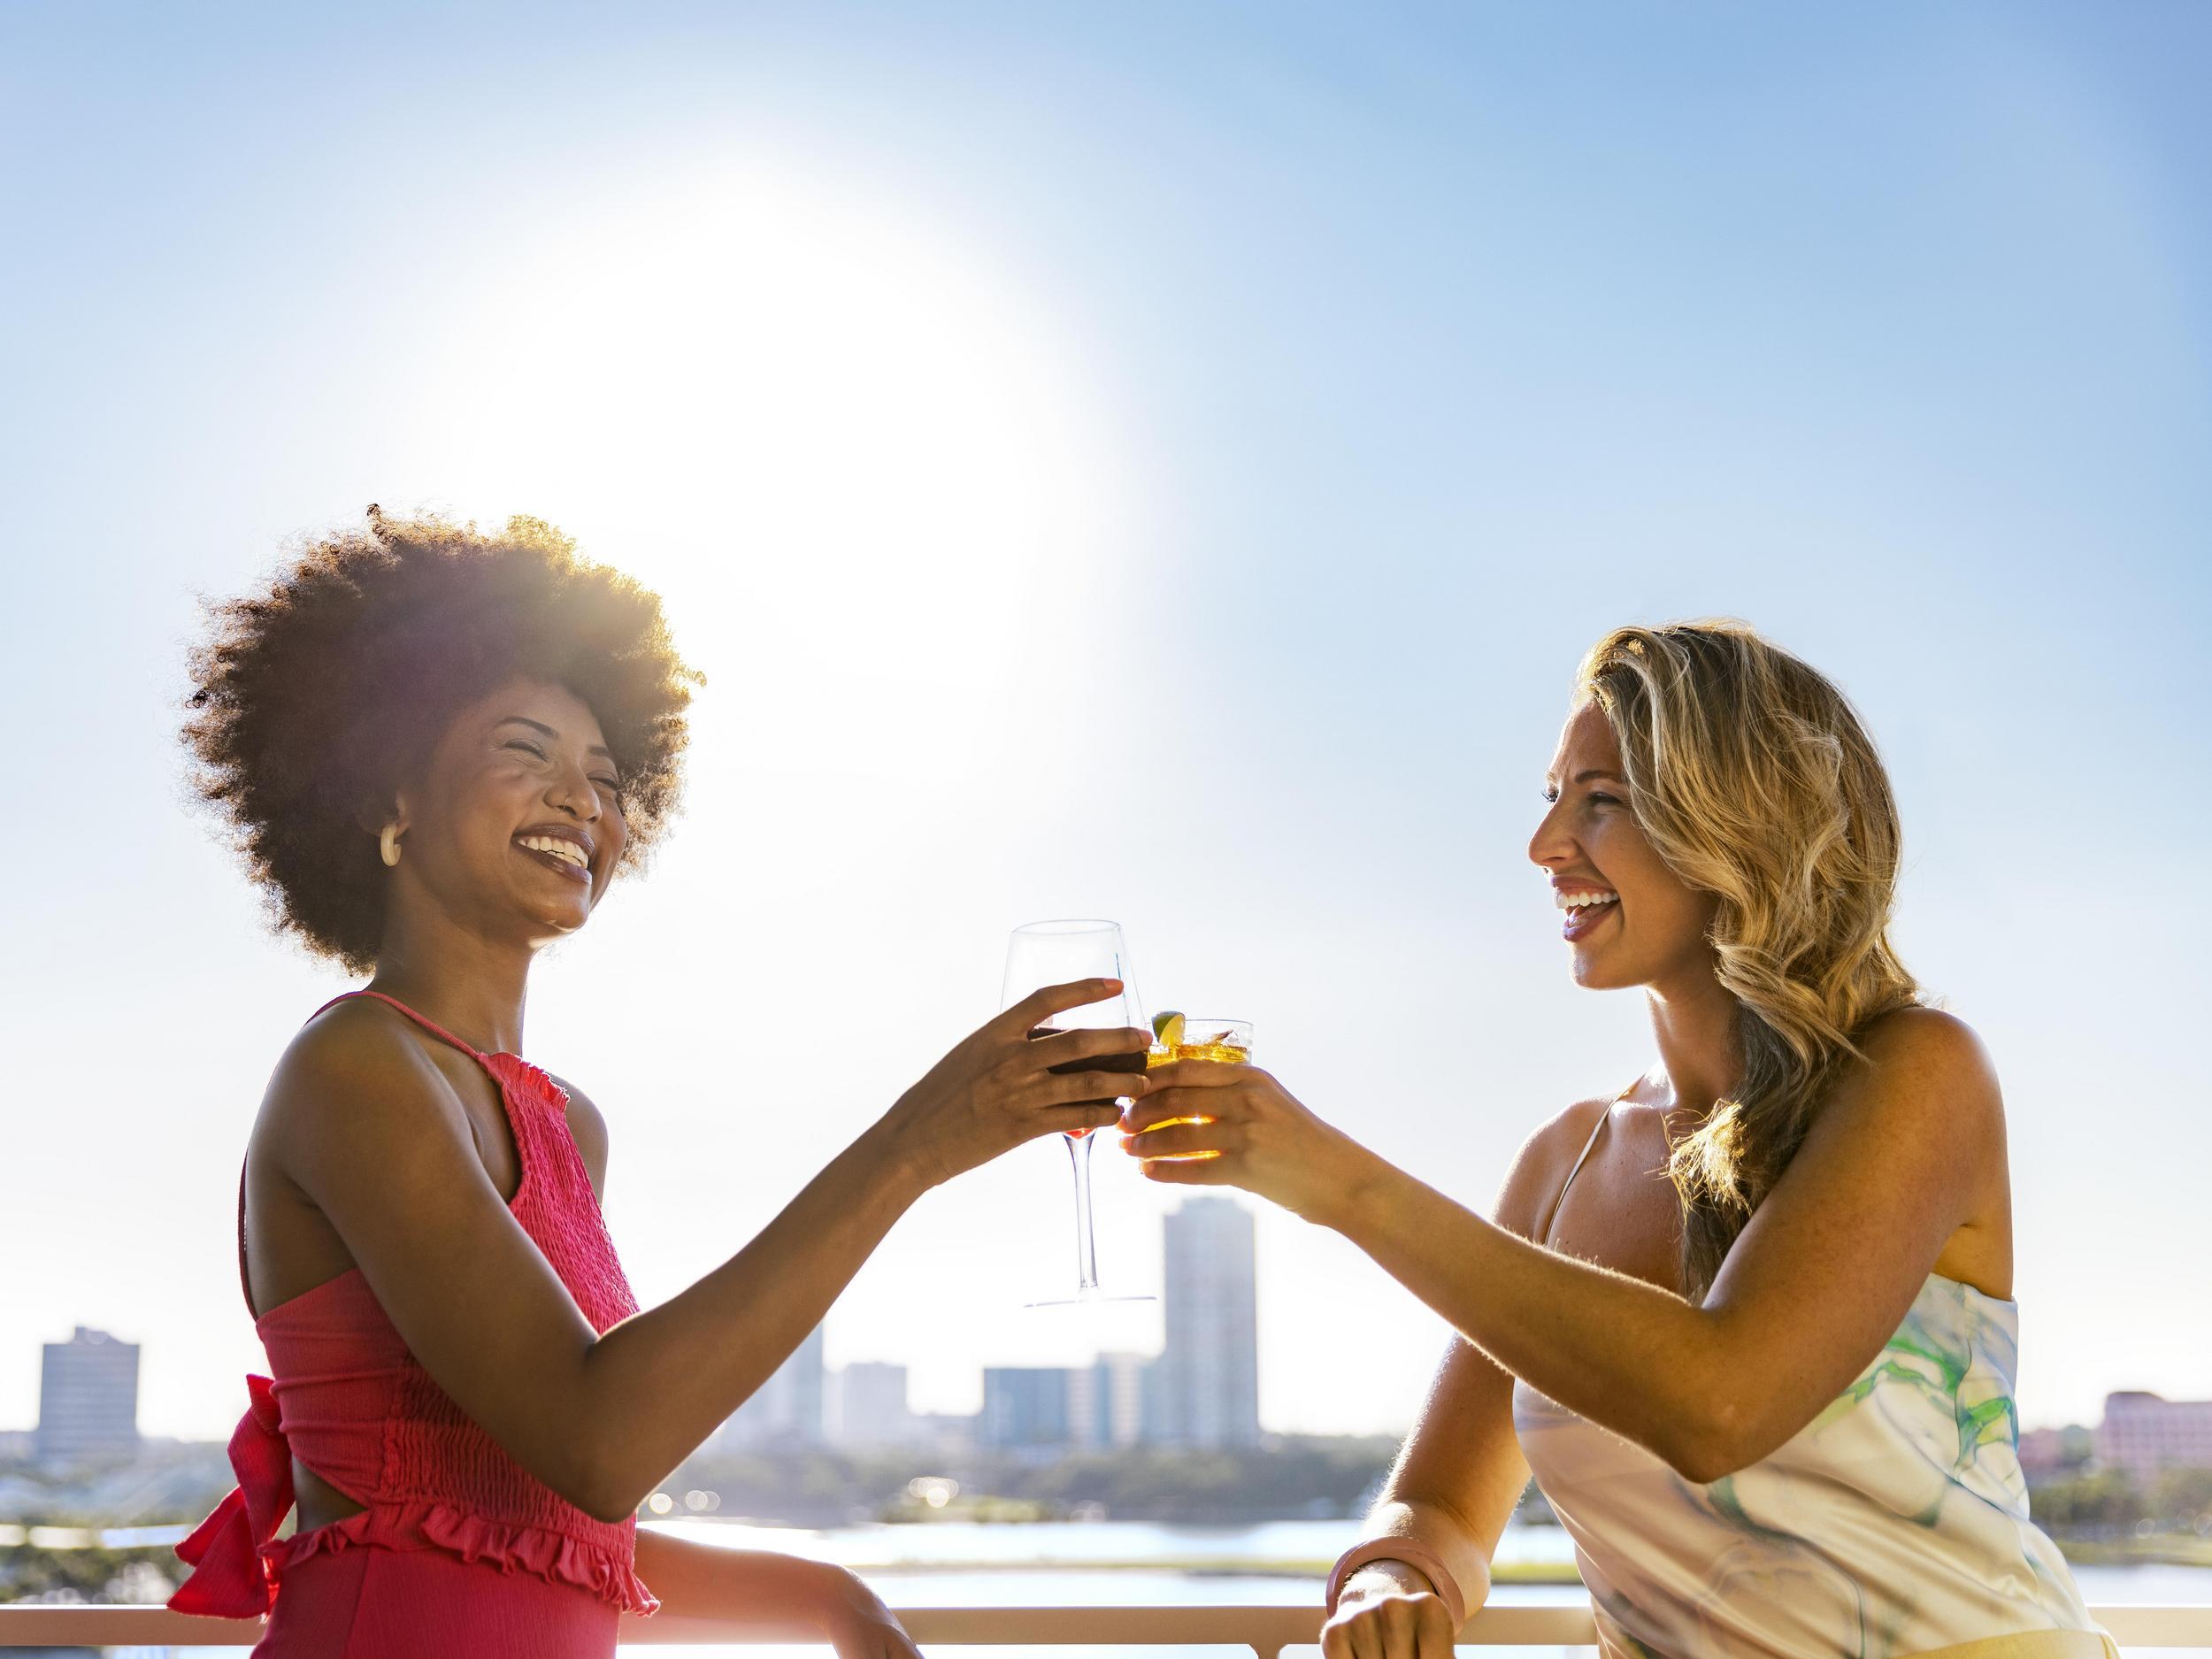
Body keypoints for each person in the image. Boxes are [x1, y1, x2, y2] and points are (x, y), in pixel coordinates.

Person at [170, 511, 1151, 1658]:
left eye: (604, 772)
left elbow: (533, 1522)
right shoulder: (357, 1067)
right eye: (523, 751)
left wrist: (818, 1589)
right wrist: (914, 1145)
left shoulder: (562, 1122)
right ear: (391, 797)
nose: (581, 799)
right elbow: (599, 1435)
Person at [1122, 621, 2109, 1659]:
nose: (1546, 846)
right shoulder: (1565, 1162)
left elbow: (1719, 1403)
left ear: (1739, 822)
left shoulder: (1914, 1073)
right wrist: (1390, 1577)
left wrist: (1339, 1184)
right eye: (1552, 797)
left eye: (1601, 799)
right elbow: (1443, 1512)